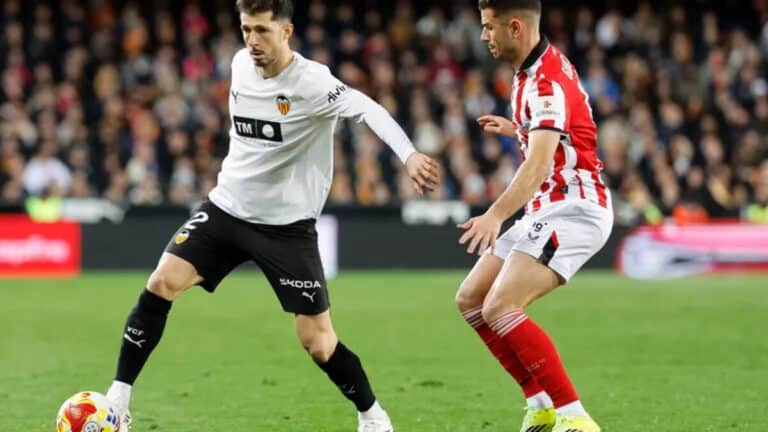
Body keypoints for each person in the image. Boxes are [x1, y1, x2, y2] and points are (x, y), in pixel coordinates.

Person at [104, 1, 440, 431]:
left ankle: (373, 417)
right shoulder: (240, 64)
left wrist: (408, 156)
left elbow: (368, 109)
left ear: (287, 31)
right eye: (246, 29)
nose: (252, 41)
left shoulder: (313, 83)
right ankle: (118, 400)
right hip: (227, 208)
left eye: (262, 30)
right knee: (161, 282)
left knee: (317, 343)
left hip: (286, 229)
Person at [455, 1, 612, 432]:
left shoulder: (545, 83)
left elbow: (540, 164)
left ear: (516, 26)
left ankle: (574, 418)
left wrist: (494, 215)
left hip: (575, 208)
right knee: (471, 301)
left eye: (489, 27)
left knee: (502, 306)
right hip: (547, 207)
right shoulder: (530, 72)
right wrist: (519, 129)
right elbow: (560, 132)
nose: (484, 36)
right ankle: (540, 404)